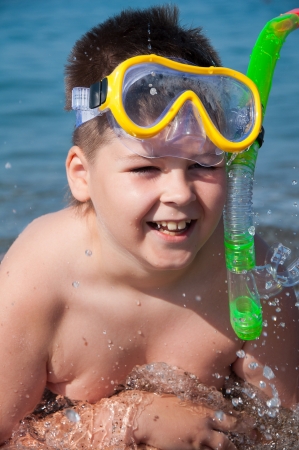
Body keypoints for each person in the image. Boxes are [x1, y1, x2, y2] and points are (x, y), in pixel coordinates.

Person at [0, 5, 298, 449]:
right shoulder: (39, 279)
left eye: (202, 163)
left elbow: (286, 426)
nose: (179, 192)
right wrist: (129, 420)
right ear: (82, 175)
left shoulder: (248, 276)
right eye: (145, 169)